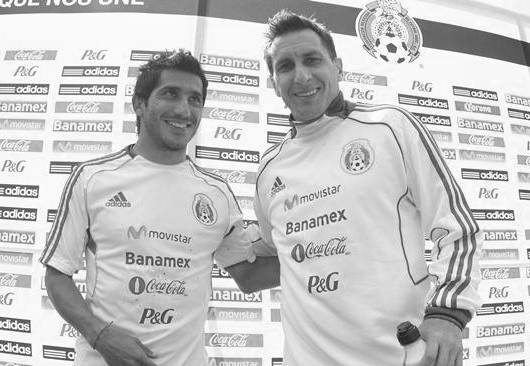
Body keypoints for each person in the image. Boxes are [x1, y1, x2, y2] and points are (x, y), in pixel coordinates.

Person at [252, 10, 482, 366]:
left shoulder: (390, 126)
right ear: (274, 82)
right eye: (285, 66)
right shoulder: (269, 169)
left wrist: (447, 315)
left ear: (338, 67)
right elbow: (272, 251)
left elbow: (458, 229)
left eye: (312, 59)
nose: (301, 75)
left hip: (399, 358)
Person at [40, 49, 278, 366]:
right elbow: (57, 276)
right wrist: (101, 336)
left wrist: (322, 258)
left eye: (195, 99)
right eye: (170, 94)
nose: (184, 109)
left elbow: (248, 275)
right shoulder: (92, 178)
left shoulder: (216, 192)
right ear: (139, 103)